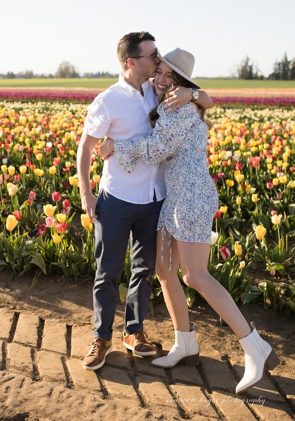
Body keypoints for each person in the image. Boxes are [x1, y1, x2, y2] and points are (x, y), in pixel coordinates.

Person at [99, 48, 279, 393]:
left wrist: (115, 146)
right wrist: (195, 94)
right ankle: (185, 343)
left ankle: (255, 346)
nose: (162, 80)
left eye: (171, 76)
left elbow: (153, 152)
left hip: (192, 197)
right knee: (165, 271)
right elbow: (184, 117)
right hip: (174, 196)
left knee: (195, 275)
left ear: (182, 82)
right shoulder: (176, 101)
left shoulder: (178, 108)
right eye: (160, 72)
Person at [75, 31, 211, 371]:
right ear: (131, 61)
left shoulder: (160, 90)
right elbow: (86, 148)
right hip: (118, 198)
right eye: (152, 55)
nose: (157, 60)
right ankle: (101, 338)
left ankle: (133, 332)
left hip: (155, 198)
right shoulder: (107, 100)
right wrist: (86, 194)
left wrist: (193, 91)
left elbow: (207, 100)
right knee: (107, 272)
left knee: (145, 271)